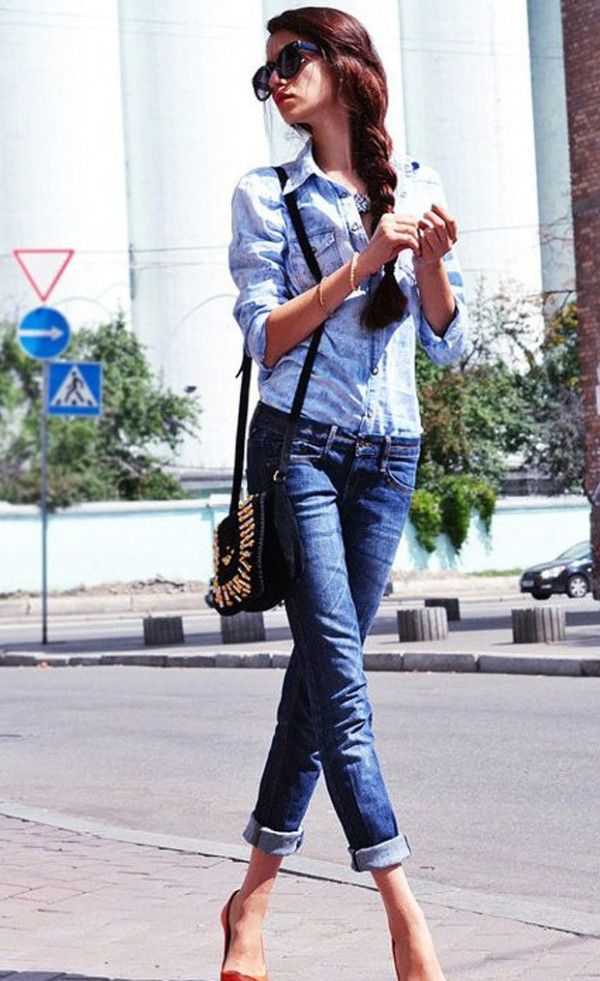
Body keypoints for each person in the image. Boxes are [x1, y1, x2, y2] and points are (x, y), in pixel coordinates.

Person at [221, 7, 469, 980]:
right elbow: (263, 335)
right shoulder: (266, 194)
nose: (277, 80)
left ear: (344, 64)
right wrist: (363, 264)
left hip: (391, 456)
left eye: (292, 59)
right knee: (343, 682)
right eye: (267, 72)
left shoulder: (419, 182)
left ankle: (251, 900)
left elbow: (450, 341)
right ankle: (405, 914)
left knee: (318, 684)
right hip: (303, 454)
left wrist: (431, 262)